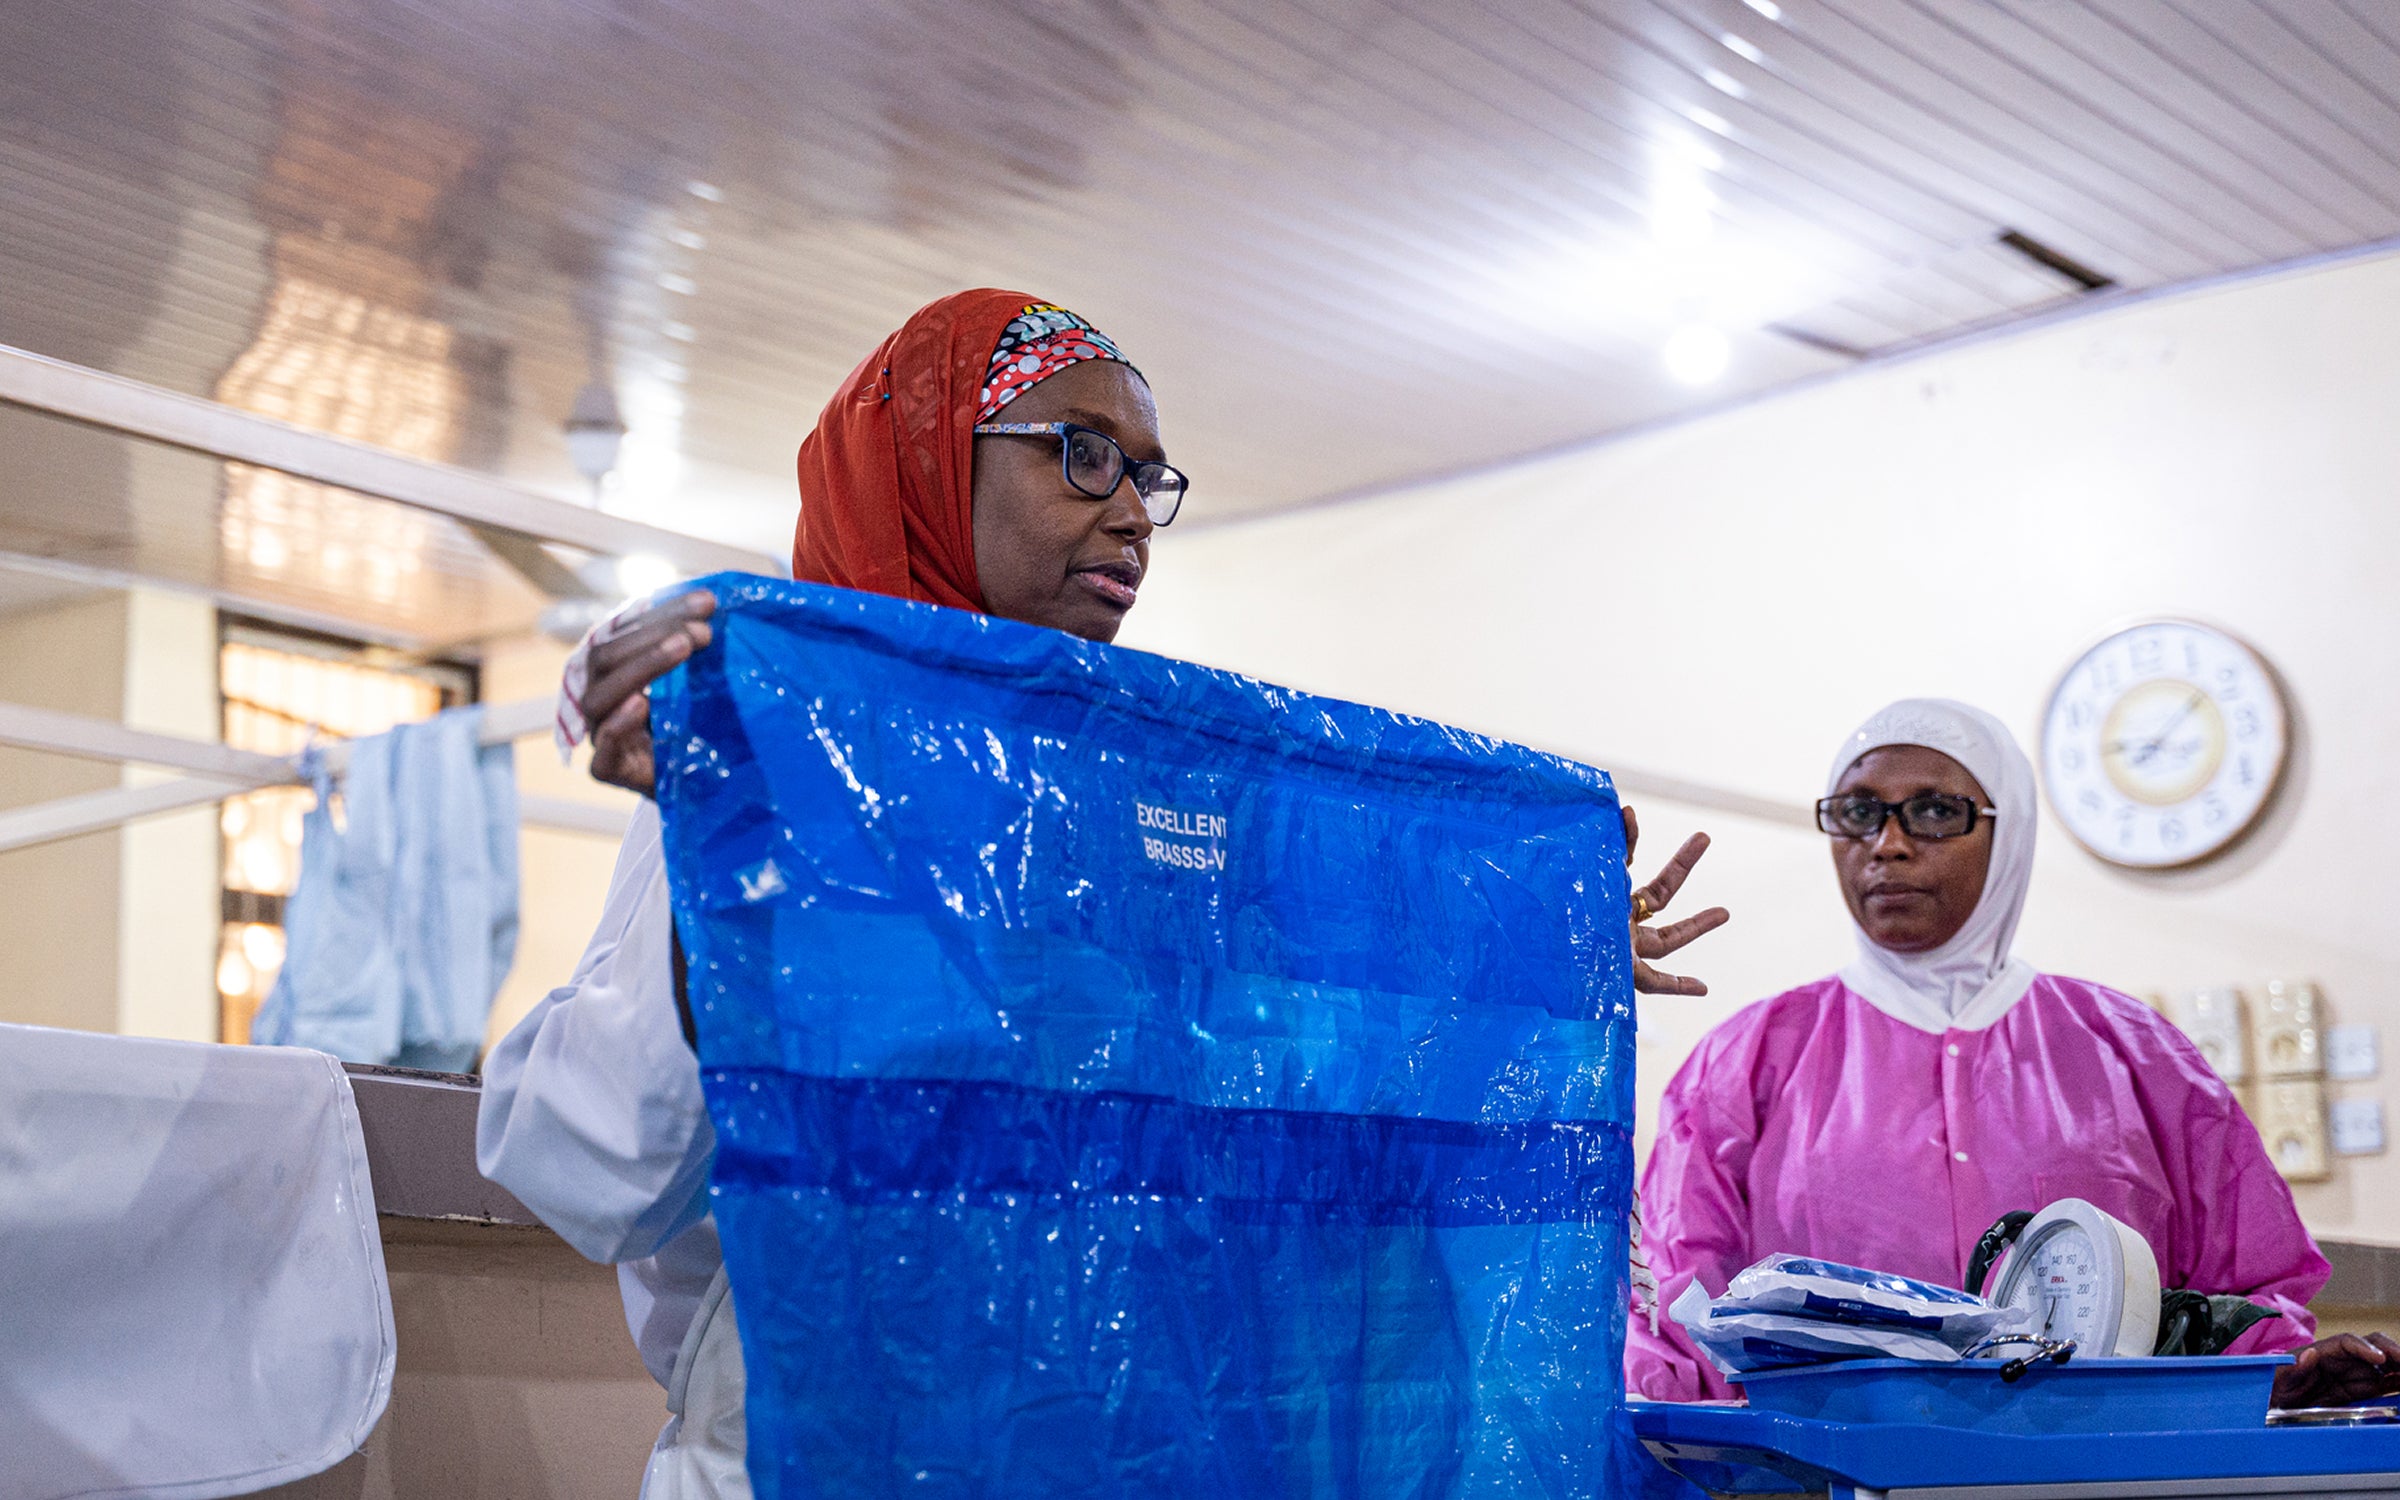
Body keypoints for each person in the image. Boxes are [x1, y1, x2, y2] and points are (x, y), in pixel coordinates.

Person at [480, 288, 1729, 1497]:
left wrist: (1512, 963)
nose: (1133, 513)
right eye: (1083, 454)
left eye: (1148, 476)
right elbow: (585, 1173)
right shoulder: (802, 775)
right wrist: (740, 891)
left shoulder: (1136, 810)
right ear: (926, 462)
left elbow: (1275, 1112)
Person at [1627, 697, 2400, 1411]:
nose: (1887, 846)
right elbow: (1674, 1315)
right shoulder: (1747, 1063)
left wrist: (2277, 1373)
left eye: (1933, 811)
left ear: (2010, 830)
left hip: (2103, 1484)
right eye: (1859, 812)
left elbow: (2247, 1293)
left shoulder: (2136, 1055)